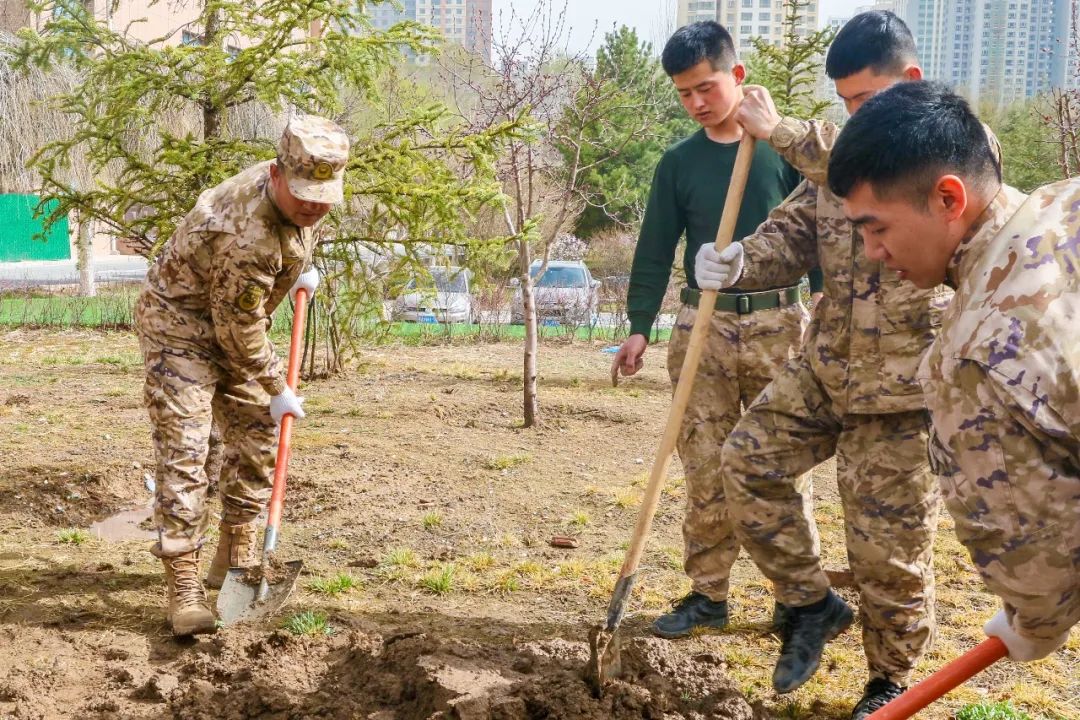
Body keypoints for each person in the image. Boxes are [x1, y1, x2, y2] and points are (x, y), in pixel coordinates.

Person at [693, 12, 981, 717]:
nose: (852, 118)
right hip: (825, 368)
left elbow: (851, 164)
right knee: (747, 463)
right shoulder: (838, 164)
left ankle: (891, 679)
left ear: (908, 82)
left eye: (863, 101)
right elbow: (790, 235)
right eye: (844, 104)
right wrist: (735, 263)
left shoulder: (951, 144)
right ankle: (810, 604)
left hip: (904, 391)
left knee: (889, 551)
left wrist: (783, 131)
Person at [827, 80, 1078, 667]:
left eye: (877, 227)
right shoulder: (1064, 202)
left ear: (947, 198)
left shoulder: (971, 356)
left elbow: (1040, 564)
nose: (871, 252)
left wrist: (1033, 620)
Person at [610, 20, 823, 640]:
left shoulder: (786, 156)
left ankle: (795, 596)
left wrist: (822, 319)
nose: (696, 102)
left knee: (782, 466)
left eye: (706, 86)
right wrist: (640, 327)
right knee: (703, 464)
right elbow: (654, 249)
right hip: (701, 326)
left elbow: (819, 242)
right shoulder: (678, 164)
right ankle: (708, 594)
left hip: (780, 325)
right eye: (683, 93)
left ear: (737, 75)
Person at [134, 114, 349, 636]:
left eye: (323, 198)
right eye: (303, 197)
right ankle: (183, 579)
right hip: (180, 329)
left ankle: (235, 548)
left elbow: (288, 240)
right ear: (276, 175)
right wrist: (277, 386)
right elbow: (239, 331)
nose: (314, 207)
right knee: (187, 449)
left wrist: (297, 267)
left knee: (258, 433)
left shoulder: (294, 190)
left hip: (232, 319)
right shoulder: (247, 233)